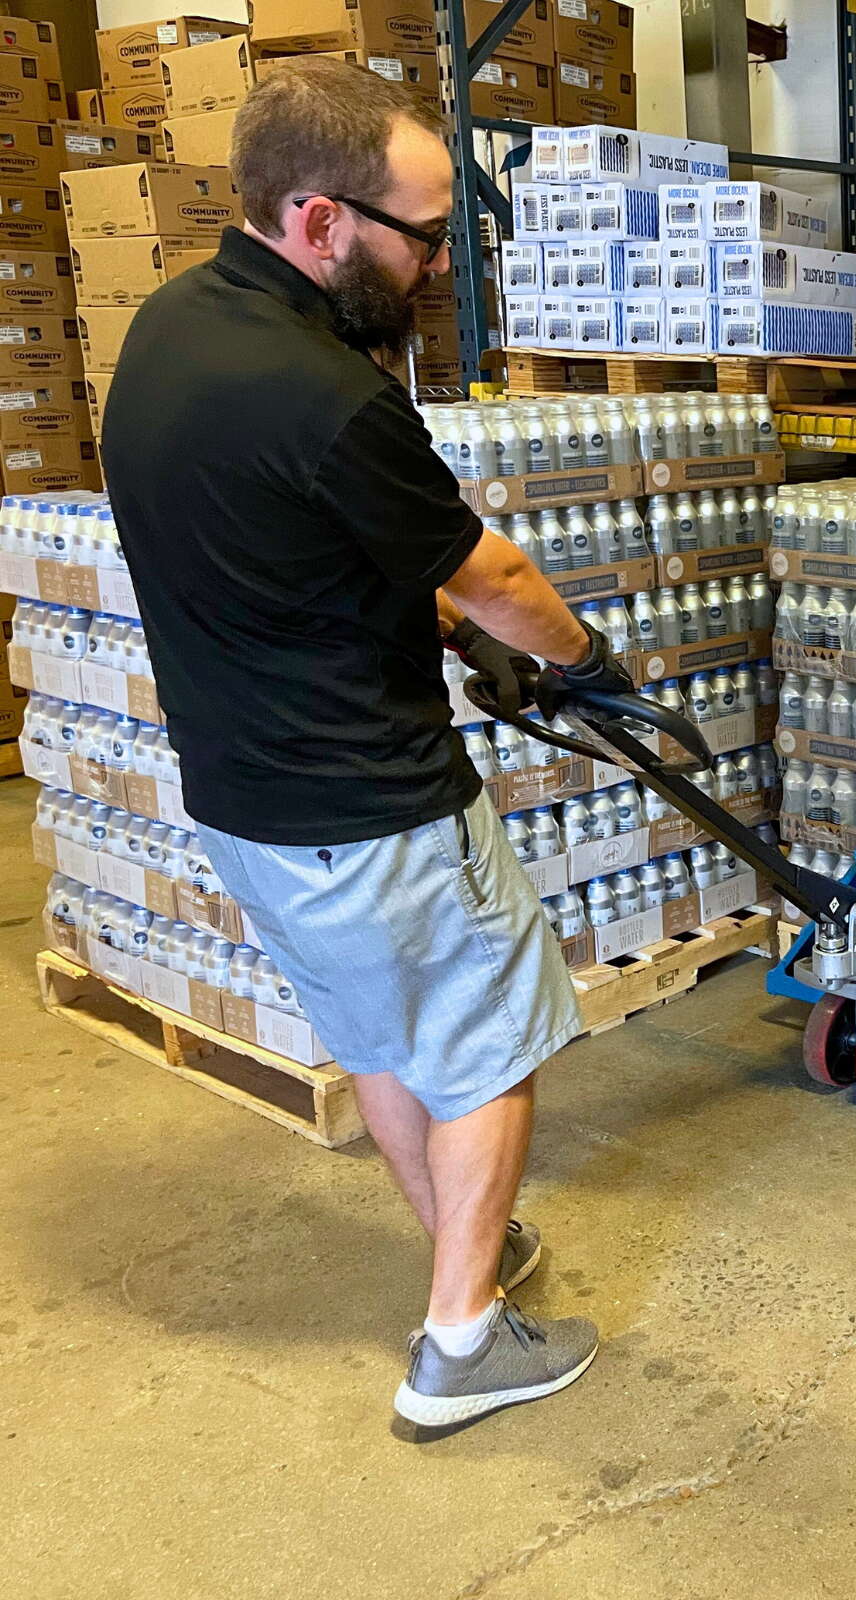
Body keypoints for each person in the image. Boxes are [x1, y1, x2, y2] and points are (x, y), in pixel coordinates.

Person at [100, 58, 630, 1431]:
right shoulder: (330, 395)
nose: (437, 264)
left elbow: (285, 551)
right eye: (424, 234)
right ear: (322, 221)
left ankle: (474, 1251)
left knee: (392, 1047)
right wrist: (582, 660)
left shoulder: (165, 333)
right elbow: (496, 574)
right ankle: (461, 1341)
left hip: (244, 799)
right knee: (491, 1047)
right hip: (378, 805)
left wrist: (431, 632)